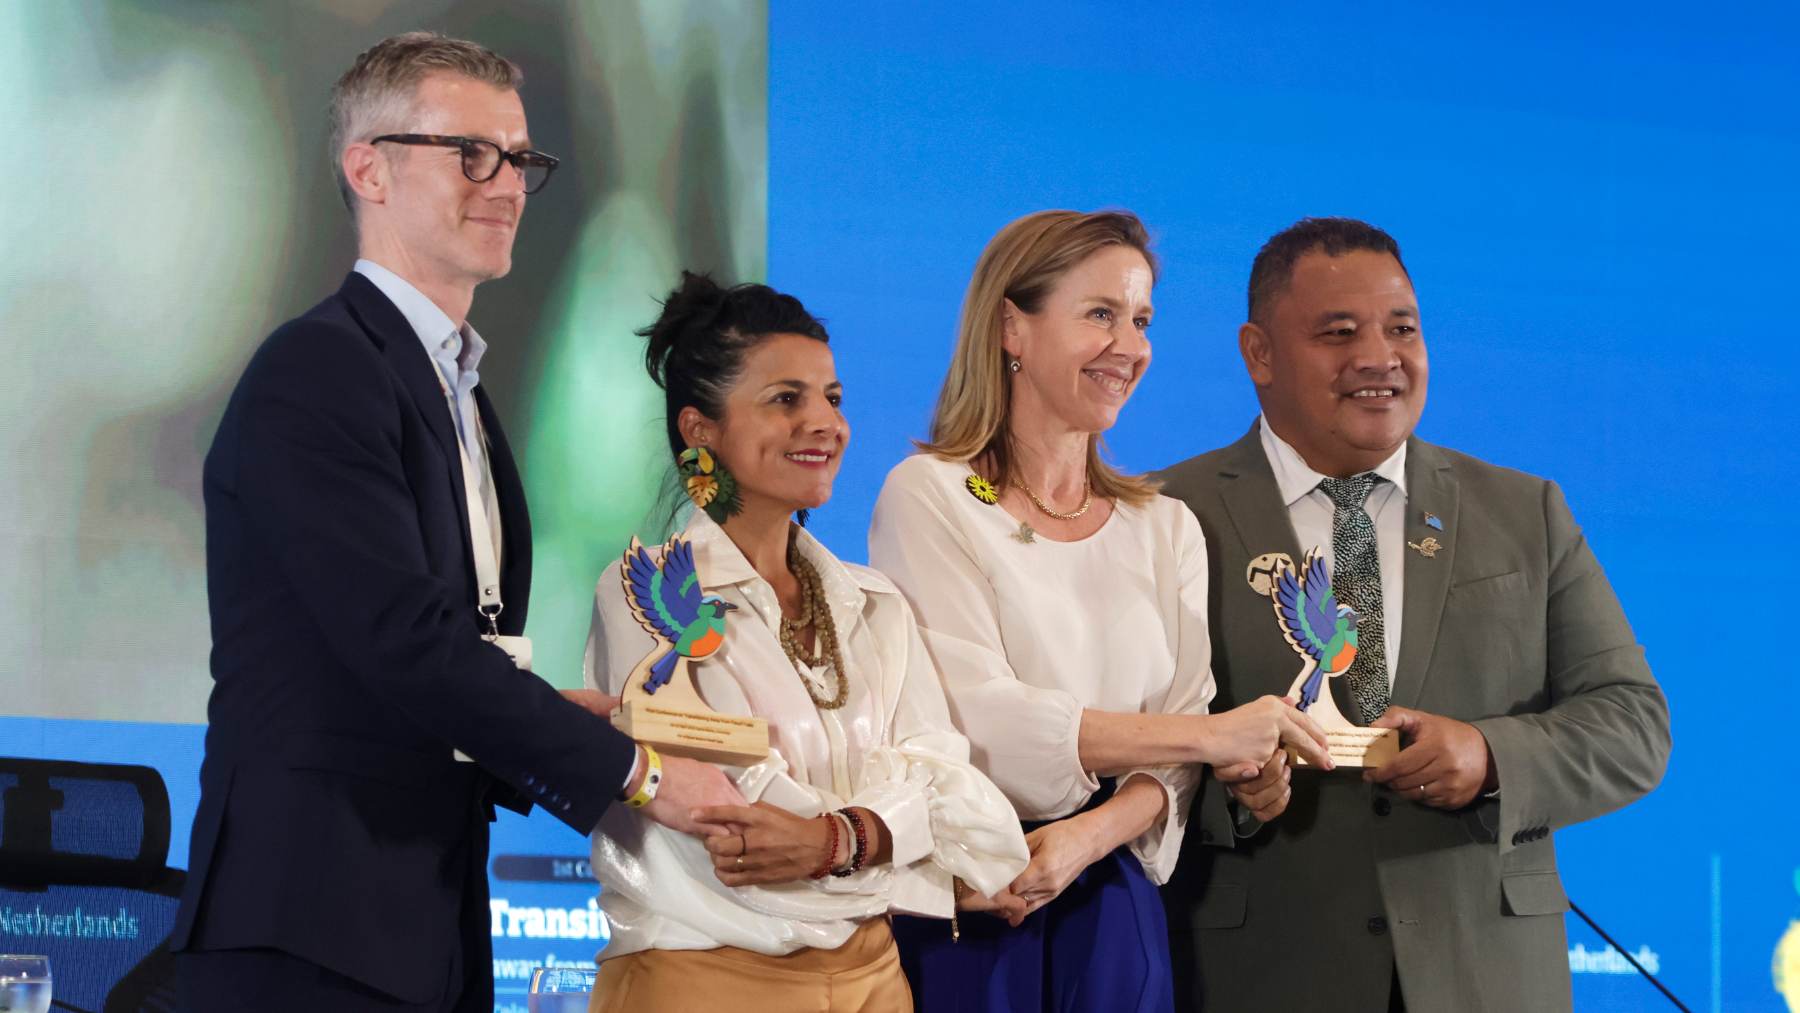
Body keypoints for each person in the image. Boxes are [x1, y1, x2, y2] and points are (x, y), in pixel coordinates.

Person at [170, 33, 737, 1011]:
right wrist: (642, 775)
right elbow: (404, 643)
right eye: (469, 153)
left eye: (521, 157)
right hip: (308, 928)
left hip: (418, 918)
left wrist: (555, 713)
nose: (506, 182)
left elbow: (436, 649)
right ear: (368, 170)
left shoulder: (459, 391)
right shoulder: (319, 371)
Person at [1156, 217, 1672, 1012]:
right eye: (1339, 332)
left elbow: (1634, 724)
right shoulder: (1165, 514)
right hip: (1255, 973)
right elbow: (1114, 749)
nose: (1378, 357)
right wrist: (1229, 782)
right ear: (1258, 353)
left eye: (1402, 328)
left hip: (1486, 976)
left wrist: (1491, 754)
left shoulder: (1523, 510)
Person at [867, 209, 1331, 1013]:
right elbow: (980, 718)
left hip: (1113, 901)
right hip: (981, 894)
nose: (1132, 345)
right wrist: (1214, 733)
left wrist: (1091, 836)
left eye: (1142, 319)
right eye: (1101, 314)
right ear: (1013, 326)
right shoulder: (930, 495)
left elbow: (1182, 738)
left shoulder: (1166, 525)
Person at [582, 272, 1031, 1012]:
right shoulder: (646, 588)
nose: (824, 421)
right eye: (786, 399)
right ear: (701, 430)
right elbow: (732, 819)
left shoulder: (877, 603)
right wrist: (892, 838)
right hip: (703, 979)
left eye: (833, 398)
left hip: (878, 978)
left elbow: (956, 794)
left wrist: (839, 839)